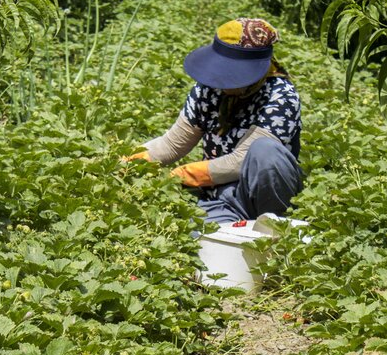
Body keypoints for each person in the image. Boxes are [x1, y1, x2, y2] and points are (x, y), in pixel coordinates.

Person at [124, 18, 303, 224]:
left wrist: (187, 173)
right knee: (195, 236)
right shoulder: (208, 89)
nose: (223, 81)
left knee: (265, 151)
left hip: (262, 194)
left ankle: (275, 224)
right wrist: (129, 162)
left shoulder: (280, 95)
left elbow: (241, 160)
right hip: (220, 200)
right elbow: (172, 145)